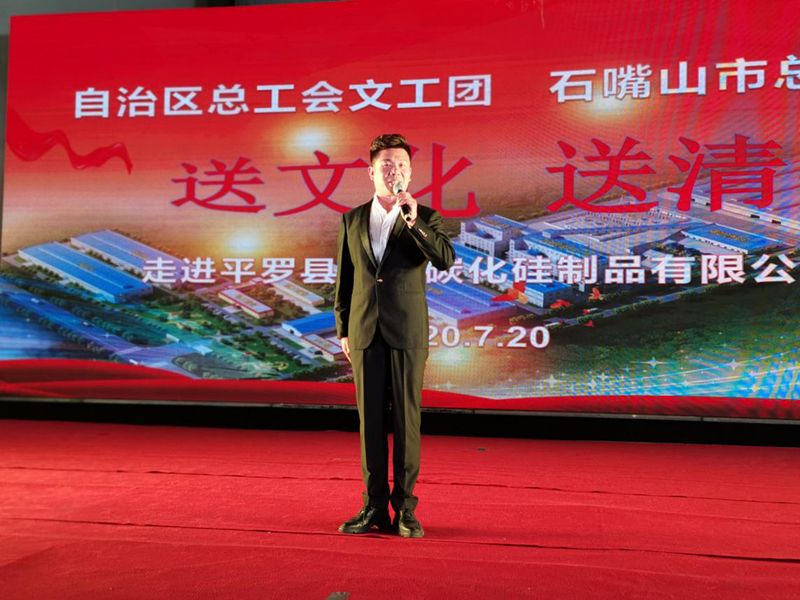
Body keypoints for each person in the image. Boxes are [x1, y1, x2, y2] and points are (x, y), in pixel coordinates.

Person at [334, 134, 455, 538]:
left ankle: (405, 509)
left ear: (410, 172)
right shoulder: (352, 220)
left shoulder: (425, 217)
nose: (394, 171)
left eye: (401, 165)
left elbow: (445, 259)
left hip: (406, 331)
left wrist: (413, 221)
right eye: (386, 165)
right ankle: (373, 507)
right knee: (370, 423)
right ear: (371, 172)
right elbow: (345, 280)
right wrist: (343, 329)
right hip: (364, 331)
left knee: (406, 422)